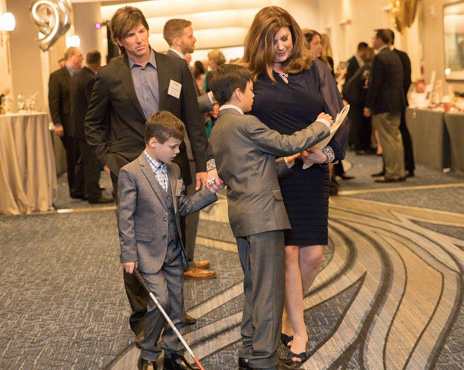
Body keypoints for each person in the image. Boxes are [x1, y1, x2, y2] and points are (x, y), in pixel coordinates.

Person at [84, 6, 209, 338]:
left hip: (174, 167)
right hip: (131, 169)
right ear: (119, 41)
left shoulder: (175, 66)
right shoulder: (110, 75)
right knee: (138, 244)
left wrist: (202, 164)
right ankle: (143, 316)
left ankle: (172, 308)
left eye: (141, 31)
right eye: (129, 35)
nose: (138, 40)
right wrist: (109, 162)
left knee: (174, 238)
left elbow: (193, 119)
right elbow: (92, 124)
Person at [208, 63, 332, 370]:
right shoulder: (246, 123)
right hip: (264, 216)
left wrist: (287, 163)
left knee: (254, 285)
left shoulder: (220, 127)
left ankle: (250, 347)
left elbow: (250, 170)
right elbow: (288, 142)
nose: (254, 96)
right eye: (251, 90)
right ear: (238, 93)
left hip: (242, 215)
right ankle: (263, 358)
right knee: (269, 290)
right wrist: (321, 126)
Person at [241, 6, 347, 365]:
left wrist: (329, 155)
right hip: (274, 174)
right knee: (287, 254)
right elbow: (233, 121)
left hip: (312, 172)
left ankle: (291, 311)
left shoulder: (316, 69)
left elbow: (337, 114)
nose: (281, 46)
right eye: (272, 41)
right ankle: (299, 330)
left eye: (284, 38)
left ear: (294, 34)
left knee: (313, 255)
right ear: (260, 43)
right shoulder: (251, 77)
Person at [118, 111, 218, 370]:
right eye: (173, 146)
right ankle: (149, 353)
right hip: (146, 252)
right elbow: (125, 218)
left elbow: (182, 206)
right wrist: (128, 254)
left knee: (176, 303)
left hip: (174, 250)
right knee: (160, 301)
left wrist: (209, 193)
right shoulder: (131, 173)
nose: (177, 151)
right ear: (153, 142)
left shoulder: (174, 169)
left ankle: (173, 353)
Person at [163, 18, 217, 280]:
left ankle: (190, 258)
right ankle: (186, 263)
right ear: (177, 40)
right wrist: (208, 101)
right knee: (188, 206)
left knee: (190, 208)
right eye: (190, 35)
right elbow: (177, 107)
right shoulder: (171, 66)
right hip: (184, 148)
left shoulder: (176, 64)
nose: (194, 39)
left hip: (188, 143)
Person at [69, 50, 113, 204]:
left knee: (83, 161)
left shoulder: (77, 75)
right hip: (87, 128)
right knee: (91, 163)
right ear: (99, 61)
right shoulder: (89, 78)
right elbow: (93, 106)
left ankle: (79, 189)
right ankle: (93, 194)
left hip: (77, 126)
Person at [364, 29, 406, 183]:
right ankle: (399, 170)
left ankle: (392, 173)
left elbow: (375, 85)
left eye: (374, 37)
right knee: (396, 138)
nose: (372, 40)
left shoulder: (379, 58)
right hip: (396, 104)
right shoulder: (395, 56)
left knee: (387, 140)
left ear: (380, 40)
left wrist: (368, 105)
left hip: (383, 105)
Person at [49, 46, 84, 199]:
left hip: (81, 123)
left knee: (83, 156)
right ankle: (75, 189)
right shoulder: (57, 76)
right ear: (71, 56)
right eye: (79, 55)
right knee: (73, 156)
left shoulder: (81, 74)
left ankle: (84, 186)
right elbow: (54, 101)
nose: (82, 58)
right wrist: (57, 123)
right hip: (67, 124)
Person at [389, 29, 415, 177]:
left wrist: (400, 96)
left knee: (402, 131)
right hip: (391, 102)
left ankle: (408, 165)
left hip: (399, 101)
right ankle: (393, 165)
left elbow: (406, 79)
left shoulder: (402, 56)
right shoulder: (380, 56)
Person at [343, 47, 375, 154]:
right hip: (355, 98)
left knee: (359, 122)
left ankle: (361, 145)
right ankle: (359, 146)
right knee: (358, 122)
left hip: (354, 96)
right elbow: (366, 86)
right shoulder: (368, 69)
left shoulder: (365, 67)